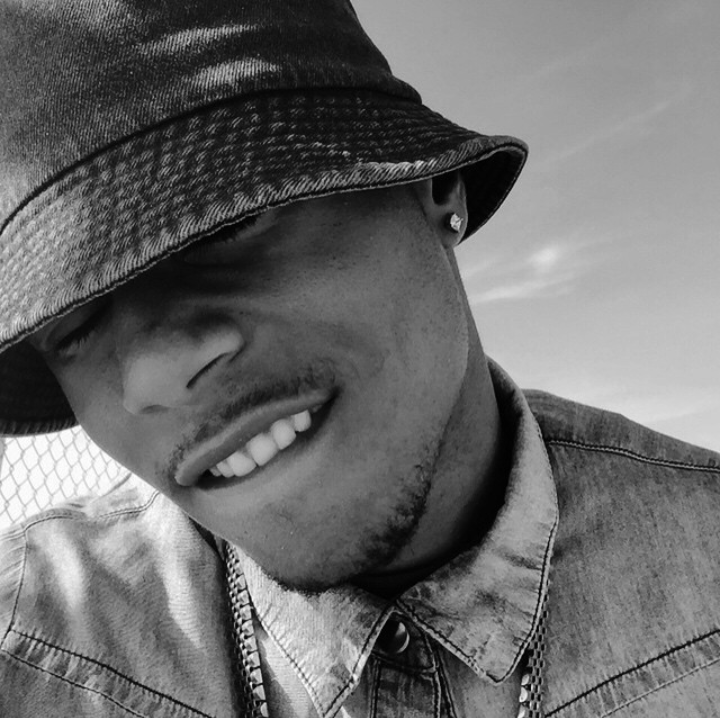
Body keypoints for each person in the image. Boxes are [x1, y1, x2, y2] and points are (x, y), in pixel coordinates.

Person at [0, 0, 718, 716]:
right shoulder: (29, 648)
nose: (154, 373)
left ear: (435, 186)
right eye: (70, 327)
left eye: (226, 221)